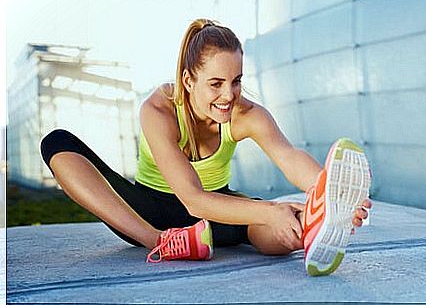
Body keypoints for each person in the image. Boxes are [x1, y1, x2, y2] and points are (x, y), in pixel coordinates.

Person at [40, 18, 372, 276]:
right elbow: (192, 200)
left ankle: (312, 229)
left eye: (236, 81)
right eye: (216, 83)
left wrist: (329, 194)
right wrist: (270, 209)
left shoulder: (246, 115)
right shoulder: (159, 110)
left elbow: (287, 156)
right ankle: (160, 243)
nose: (229, 95)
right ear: (188, 81)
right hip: (150, 213)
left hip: (218, 212)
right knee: (56, 143)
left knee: (285, 227)